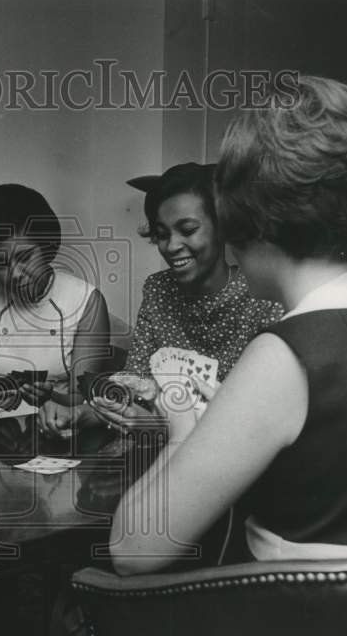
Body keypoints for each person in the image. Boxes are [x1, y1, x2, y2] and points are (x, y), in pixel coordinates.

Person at [108, 76, 347, 575]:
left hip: (295, 634)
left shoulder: (284, 357)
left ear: (252, 223)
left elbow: (132, 550)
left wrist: (184, 426)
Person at [89, 162, 283, 442]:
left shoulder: (261, 296)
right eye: (163, 234)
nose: (171, 246)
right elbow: (136, 378)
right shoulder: (157, 290)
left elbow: (261, 420)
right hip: (160, 458)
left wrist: (161, 427)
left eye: (188, 230)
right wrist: (93, 412)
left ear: (222, 228)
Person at [0, 183, 110, 433]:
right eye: (1, 263)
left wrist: (52, 397)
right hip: (1, 439)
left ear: (46, 246)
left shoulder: (87, 301)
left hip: (65, 435)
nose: (16, 274)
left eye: (25, 257)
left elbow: (85, 400)